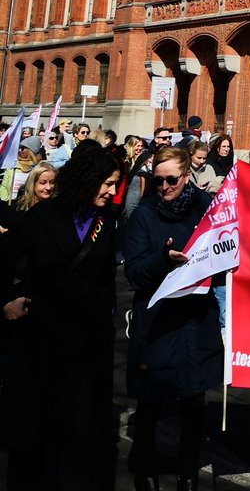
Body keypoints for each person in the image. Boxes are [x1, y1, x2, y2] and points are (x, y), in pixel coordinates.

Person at [0, 140, 121, 491]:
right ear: (87, 179)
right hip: (41, 344)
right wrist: (6, 300)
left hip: (88, 350)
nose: (113, 192)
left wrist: (107, 316)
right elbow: (2, 260)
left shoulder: (107, 220)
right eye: (107, 183)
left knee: (80, 442)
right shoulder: (42, 216)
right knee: (35, 440)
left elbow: (107, 278)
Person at [123, 145, 224, 491]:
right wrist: (164, 261)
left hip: (196, 320)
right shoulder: (143, 215)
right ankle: (145, 471)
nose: (163, 187)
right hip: (157, 321)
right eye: (157, 180)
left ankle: (189, 474)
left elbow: (226, 251)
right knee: (150, 400)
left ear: (186, 177)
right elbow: (133, 273)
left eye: (171, 180)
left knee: (194, 402)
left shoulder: (207, 209)